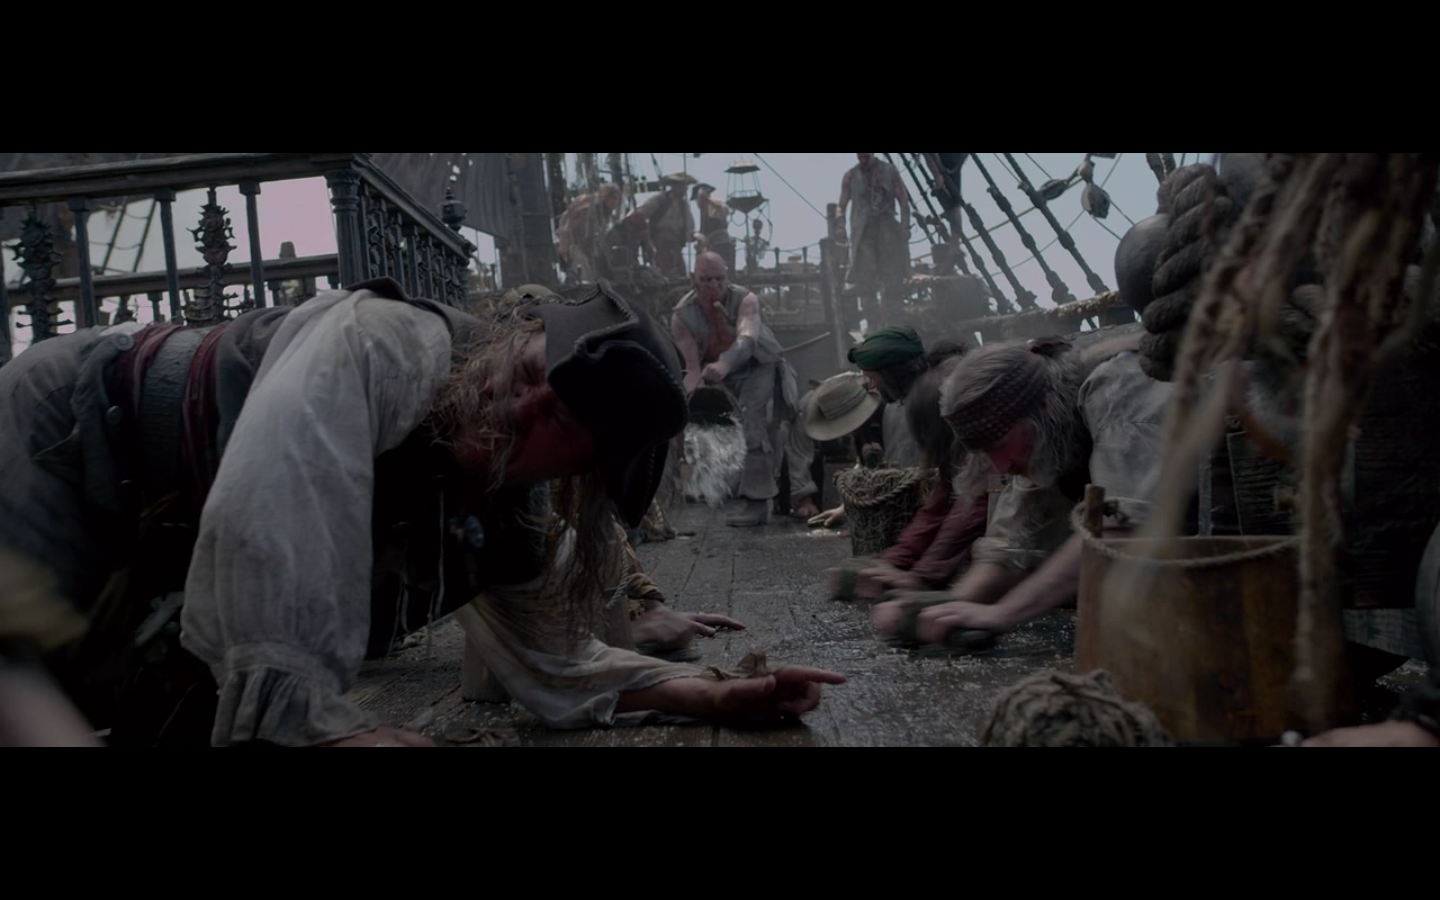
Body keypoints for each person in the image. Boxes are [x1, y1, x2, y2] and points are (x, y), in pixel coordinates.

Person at [0, 276, 843, 747]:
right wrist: (325, 729)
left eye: (558, 421)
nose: (516, 407)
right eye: (528, 374)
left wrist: (708, 696)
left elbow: (556, 665)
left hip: (159, 556)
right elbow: (285, 487)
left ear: (579, 473)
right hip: (65, 438)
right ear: (512, 342)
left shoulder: (512, 517)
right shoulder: (386, 341)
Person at [873, 331, 1172, 648]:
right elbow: (1012, 543)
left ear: (1040, 413)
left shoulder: (1118, 389)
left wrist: (1004, 613)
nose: (1001, 467)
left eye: (999, 447)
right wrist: (949, 605)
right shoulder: (1040, 429)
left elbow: (1121, 525)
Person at [670, 252, 799, 527]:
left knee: (756, 425)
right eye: (706, 279)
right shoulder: (682, 315)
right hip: (722, 375)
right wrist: (683, 402)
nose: (714, 285)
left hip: (758, 365)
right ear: (693, 279)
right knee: (733, 428)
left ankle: (757, 503)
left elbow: (747, 338)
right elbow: (691, 368)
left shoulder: (746, 299)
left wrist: (724, 363)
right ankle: (753, 489)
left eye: (719, 278)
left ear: (727, 275)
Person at [838, 153, 911, 324]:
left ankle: (894, 324)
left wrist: (905, 225)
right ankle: (872, 325)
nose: (863, 160)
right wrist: (840, 225)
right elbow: (841, 205)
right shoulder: (851, 176)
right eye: (860, 157)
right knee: (866, 281)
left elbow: (903, 200)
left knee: (893, 279)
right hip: (864, 234)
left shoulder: (890, 171)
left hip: (887, 231)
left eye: (866, 157)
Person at [626, 173, 698, 279]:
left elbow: (689, 227)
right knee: (663, 274)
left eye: (686, 186)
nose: (685, 189)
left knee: (682, 276)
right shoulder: (660, 199)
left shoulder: (684, 205)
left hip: (676, 245)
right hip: (660, 243)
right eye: (682, 185)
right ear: (674, 186)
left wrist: (696, 237)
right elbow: (638, 213)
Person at [557, 183, 622, 284]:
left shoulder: (603, 211)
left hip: (584, 246)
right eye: (612, 198)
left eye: (616, 199)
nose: (615, 202)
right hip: (575, 245)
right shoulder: (589, 209)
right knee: (583, 277)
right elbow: (579, 231)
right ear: (605, 197)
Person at [693, 183, 736, 272]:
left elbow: (725, 210)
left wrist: (708, 201)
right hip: (708, 246)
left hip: (720, 243)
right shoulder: (703, 210)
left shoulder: (714, 204)